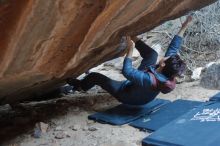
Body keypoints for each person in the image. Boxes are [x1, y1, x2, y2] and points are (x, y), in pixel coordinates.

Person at [67, 16, 193, 105]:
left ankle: (80, 86)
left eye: (165, 58)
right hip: (142, 87)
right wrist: (184, 27)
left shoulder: (148, 79)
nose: (165, 55)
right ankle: (133, 37)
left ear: (163, 63)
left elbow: (127, 71)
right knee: (152, 54)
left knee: (95, 76)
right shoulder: (169, 72)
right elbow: (173, 48)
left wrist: (130, 49)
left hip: (128, 95)